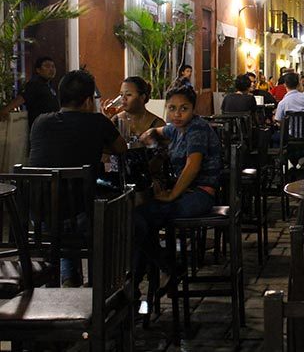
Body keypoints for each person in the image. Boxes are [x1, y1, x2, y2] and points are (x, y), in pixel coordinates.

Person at [29, 69, 127, 286]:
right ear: (87, 101)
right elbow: (121, 148)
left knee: (63, 212)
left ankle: (69, 278)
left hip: (39, 218)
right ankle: (107, 285)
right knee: (109, 212)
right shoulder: (96, 122)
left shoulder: (40, 122)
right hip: (79, 219)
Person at [135, 86, 221, 288]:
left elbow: (193, 164)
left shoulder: (196, 128)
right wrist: (150, 133)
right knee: (140, 221)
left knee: (138, 219)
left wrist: (173, 194)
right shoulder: (176, 128)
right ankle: (158, 269)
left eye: (184, 108)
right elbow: (159, 130)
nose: (177, 114)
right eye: (172, 108)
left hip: (201, 195)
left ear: (193, 109)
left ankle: (163, 268)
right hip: (187, 193)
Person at [0, 56, 59, 128]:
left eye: (53, 66)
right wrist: (6, 110)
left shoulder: (48, 86)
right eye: (47, 66)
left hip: (51, 126)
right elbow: (22, 98)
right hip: (41, 128)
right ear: (38, 70)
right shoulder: (34, 84)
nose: (51, 69)